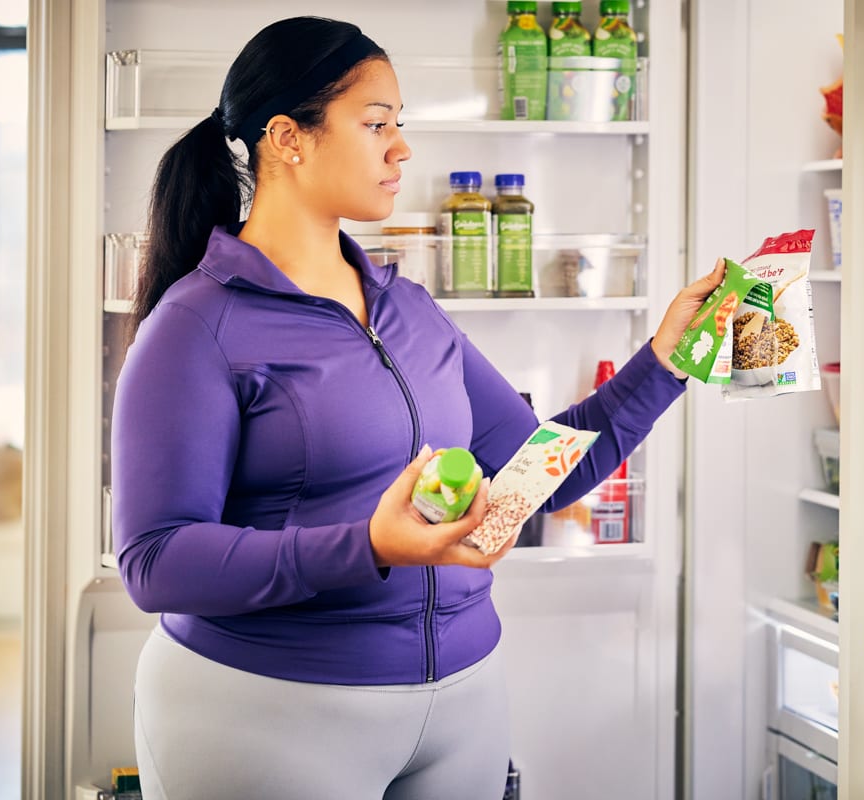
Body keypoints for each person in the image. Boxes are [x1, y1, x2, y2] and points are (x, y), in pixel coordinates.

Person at [112, 16, 725, 800]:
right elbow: (155, 562)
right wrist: (368, 544)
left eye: (401, 125)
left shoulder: (410, 310)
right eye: (375, 125)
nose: (401, 147)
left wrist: (666, 359)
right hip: (268, 709)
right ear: (287, 139)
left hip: (462, 706)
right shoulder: (197, 325)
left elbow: (543, 473)